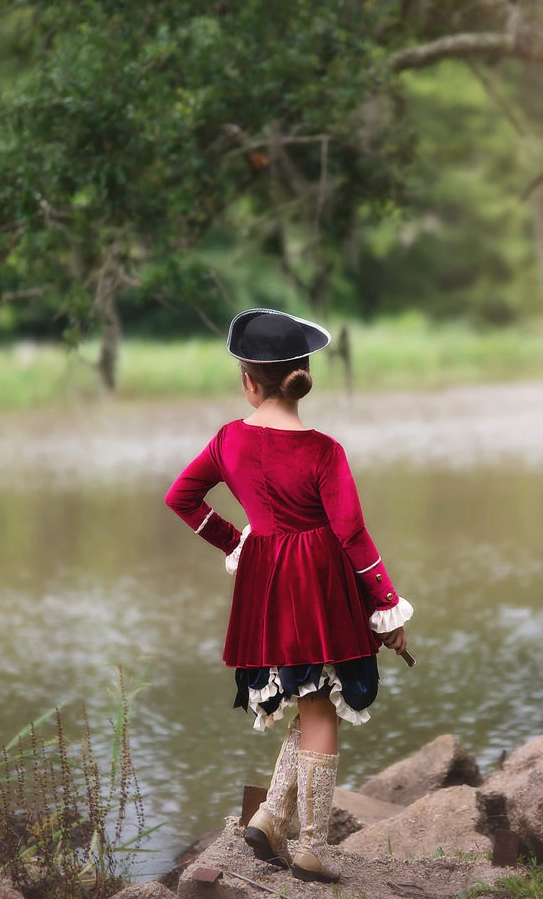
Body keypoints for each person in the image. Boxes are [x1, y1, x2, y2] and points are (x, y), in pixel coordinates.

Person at [164, 308, 413, 883]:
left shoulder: (228, 439)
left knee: (312, 695)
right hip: (321, 587)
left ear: (248, 382)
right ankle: (312, 848)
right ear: (300, 376)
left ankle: (271, 819)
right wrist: (385, 606)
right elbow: (351, 533)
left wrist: (238, 541)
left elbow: (182, 498)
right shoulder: (324, 450)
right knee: (321, 703)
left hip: (267, 587)